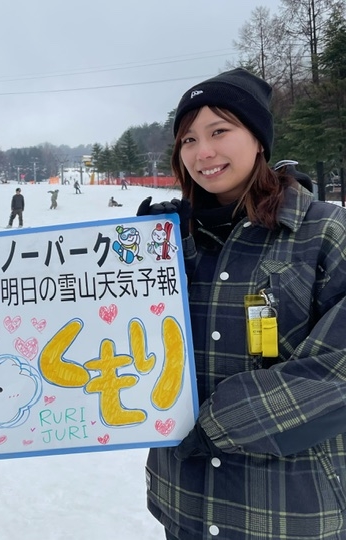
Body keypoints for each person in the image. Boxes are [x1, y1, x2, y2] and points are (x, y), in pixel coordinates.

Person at [137, 68, 346, 540]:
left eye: (219, 131)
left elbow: (339, 372)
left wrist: (212, 424)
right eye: (188, 139)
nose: (202, 152)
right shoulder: (169, 244)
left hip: (291, 515)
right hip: (185, 507)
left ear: (258, 139)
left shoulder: (325, 234)